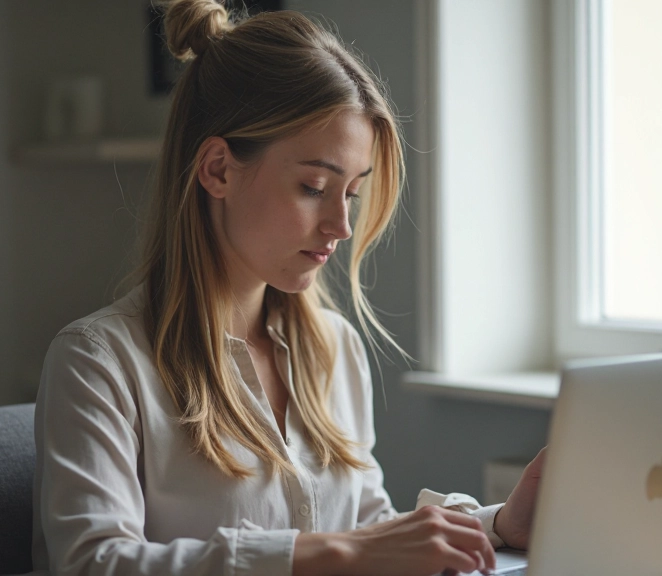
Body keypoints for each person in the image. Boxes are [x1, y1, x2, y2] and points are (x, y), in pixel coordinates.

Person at [31, 1, 546, 574]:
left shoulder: (334, 347)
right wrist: (335, 553)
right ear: (219, 170)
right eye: (313, 187)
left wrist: (498, 525)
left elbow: (365, 530)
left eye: (350, 193)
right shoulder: (98, 364)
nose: (341, 226)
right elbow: (93, 564)